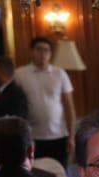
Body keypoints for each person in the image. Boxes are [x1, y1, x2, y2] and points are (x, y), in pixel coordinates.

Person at [14, 37, 76, 169]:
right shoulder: (20, 74)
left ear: (50, 54)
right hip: (32, 136)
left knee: (59, 174)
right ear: (32, 52)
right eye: (39, 50)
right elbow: (15, 107)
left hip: (58, 136)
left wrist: (72, 137)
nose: (43, 53)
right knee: (35, 174)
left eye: (46, 50)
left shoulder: (60, 74)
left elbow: (69, 107)